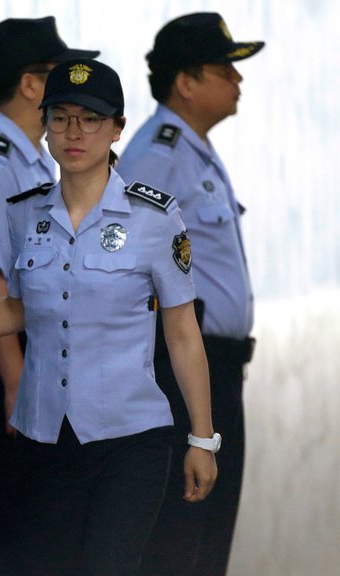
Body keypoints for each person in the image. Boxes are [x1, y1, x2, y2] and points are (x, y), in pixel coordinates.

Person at [0, 58, 219, 575]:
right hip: (43, 436)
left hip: (131, 442)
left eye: (91, 119)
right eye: (61, 117)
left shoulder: (156, 217)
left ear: (117, 128)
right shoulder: (24, 212)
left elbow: (182, 334)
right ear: (45, 126)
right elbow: (20, 309)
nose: (75, 132)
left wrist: (202, 439)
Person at [0, 17, 98, 575]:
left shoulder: (36, 161)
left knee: (48, 541)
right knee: (5, 545)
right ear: (31, 86)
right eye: (61, 76)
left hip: (41, 366)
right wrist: (16, 381)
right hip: (6, 367)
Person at [117, 13, 263, 575]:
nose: (238, 81)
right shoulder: (159, 154)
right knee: (180, 538)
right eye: (226, 69)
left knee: (209, 537)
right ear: (186, 81)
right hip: (182, 372)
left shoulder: (193, 150)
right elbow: (129, 265)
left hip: (220, 370)